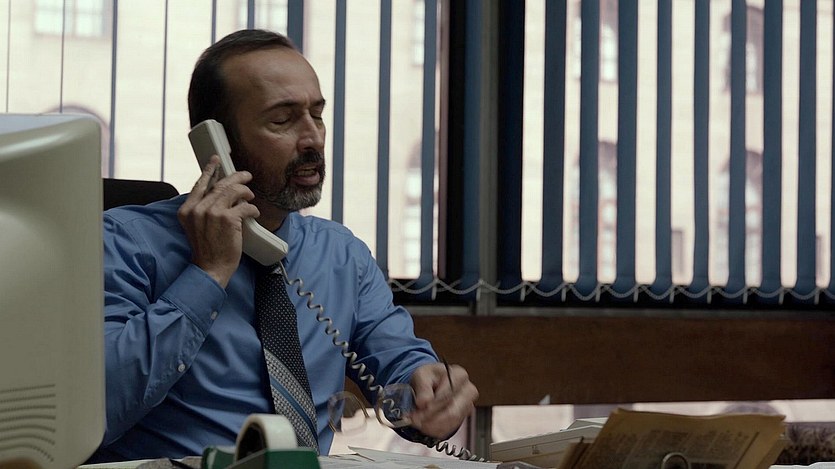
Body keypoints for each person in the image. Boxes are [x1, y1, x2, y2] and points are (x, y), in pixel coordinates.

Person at [90, 29, 479, 462]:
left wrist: (430, 391)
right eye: (283, 120)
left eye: (318, 114)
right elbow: (95, 408)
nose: (313, 139)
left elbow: (400, 367)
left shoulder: (341, 255)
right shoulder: (123, 243)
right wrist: (207, 274)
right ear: (217, 142)